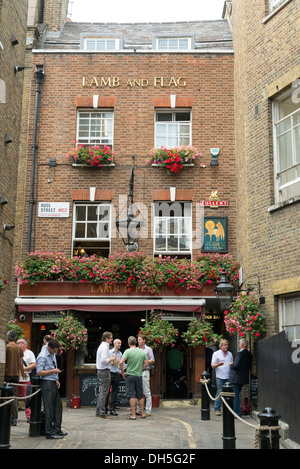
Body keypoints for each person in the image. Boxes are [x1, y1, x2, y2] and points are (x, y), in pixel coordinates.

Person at [36, 338, 67, 439]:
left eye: (56, 351)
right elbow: (39, 372)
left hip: (53, 381)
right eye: (54, 351)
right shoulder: (42, 356)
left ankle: (57, 429)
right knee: (49, 408)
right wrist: (53, 372)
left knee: (58, 406)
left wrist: (56, 379)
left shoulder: (51, 351)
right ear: (49, 348)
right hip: (47, 383)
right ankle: (49, 432)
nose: (55, 353)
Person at [119, 336, 148, 420]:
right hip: (139, 375)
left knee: (131, 395)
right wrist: (139, 366)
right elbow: (146, 364)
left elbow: (121, 362)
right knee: (140, 395)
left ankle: (133, 415)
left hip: (130, 375)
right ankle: (142, 413)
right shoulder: (141, 352)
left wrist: (122, 372)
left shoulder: (127, 351)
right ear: (136, 342)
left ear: (128, 343)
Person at [5, 330, 25, 426]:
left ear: (8, 337)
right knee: (13, 397)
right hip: (16, 375)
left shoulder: (6, 347)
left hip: (7, 374)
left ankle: (6, 416)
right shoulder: (19, 348)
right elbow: (21, 362)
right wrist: (23, 373)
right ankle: (14, 418)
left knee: (5, 396)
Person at [229, 337, 253, 417]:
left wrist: (231, 364)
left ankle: (237, 413)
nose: (239, 345)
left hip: (236, 378)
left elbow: (235, 365)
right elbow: (249, 367)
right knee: (237, 394)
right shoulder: (249, 354)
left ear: (242, 345)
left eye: (239, 344)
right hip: (243, 378)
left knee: (235, 396)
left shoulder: (239, 354)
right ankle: (237, 412)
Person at [95, 331, 115, 419]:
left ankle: (99, 411)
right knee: (104, 392)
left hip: (102, 370)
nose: (112, 339)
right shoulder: (104, 347)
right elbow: (104, 360)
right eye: (111, 338)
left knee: (102, 392)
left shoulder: (103, 346)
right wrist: (112, 358)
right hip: (104, 371)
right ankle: (102, 412)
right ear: (107, 338)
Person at [211, 338, 233, 416]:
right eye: (225, 345)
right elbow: (212, 365)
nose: (226, 346)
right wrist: (218, 365)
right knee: (219, 392)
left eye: (227, 345)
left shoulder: (230, 354)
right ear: (221, 346)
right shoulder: (216, 354)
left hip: (228, 376)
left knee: (228, 393)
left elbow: (231, 363)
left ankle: (228, 409)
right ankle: (217, 409)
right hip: (220, 377)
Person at [16, 338, 36, 422]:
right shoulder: (15, 352)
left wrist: (23, 369)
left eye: (22, 342)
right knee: (13, 399)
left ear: (26, 344)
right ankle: (13, 417)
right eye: (18, 342)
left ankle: (29, 416)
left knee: (27, 399)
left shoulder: (29, 353)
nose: (20, 344)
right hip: (15, 379)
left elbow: (34, 365)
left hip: (25, 379)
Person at [137, 334, 155, 416]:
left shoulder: (148, 349)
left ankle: (148, 411)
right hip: (137, 372)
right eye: (138, 339)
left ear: (144, 340)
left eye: (140, 339)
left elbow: (152, 360)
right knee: (138, 391)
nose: (138, 340)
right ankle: (138, 410)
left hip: (145, 371)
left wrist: (146, 362)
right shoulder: (136, 349)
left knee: (146, 391)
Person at [107, 338, 125, 416]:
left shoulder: (120, 354)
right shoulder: (109, 352)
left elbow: (123, 364)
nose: (120, 345)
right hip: (109, 373)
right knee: (106, 391)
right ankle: (104, 408)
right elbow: (105, 361)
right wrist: (110, 361)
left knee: (114, 392)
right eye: (118, 343)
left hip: (116, 374)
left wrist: (121, 371)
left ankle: (112, 409)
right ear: (114, 344)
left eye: (120, 343)